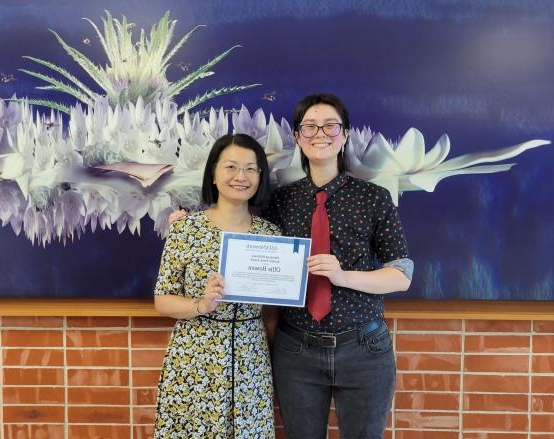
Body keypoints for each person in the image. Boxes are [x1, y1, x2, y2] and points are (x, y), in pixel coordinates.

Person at [262, 93, 413, 439]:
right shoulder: (281, 201)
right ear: (298, 137)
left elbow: (401, 275)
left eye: (331, 125)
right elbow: (254, 253)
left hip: (363, 348)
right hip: (295, 349)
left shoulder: (373, 197)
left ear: (344, 135)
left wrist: (342, 276)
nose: (320, 133)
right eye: (310, 126)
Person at [153, 133, 279, 438]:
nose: (241, 177)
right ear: (213, 172)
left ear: (260, 177)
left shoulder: (271, 235)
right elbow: (162, 300)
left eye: (251, 169)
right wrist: (200, 304)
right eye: (231, 167)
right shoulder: (186, 229)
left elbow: (273, 310)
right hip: (196, 357)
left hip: (252, 358)